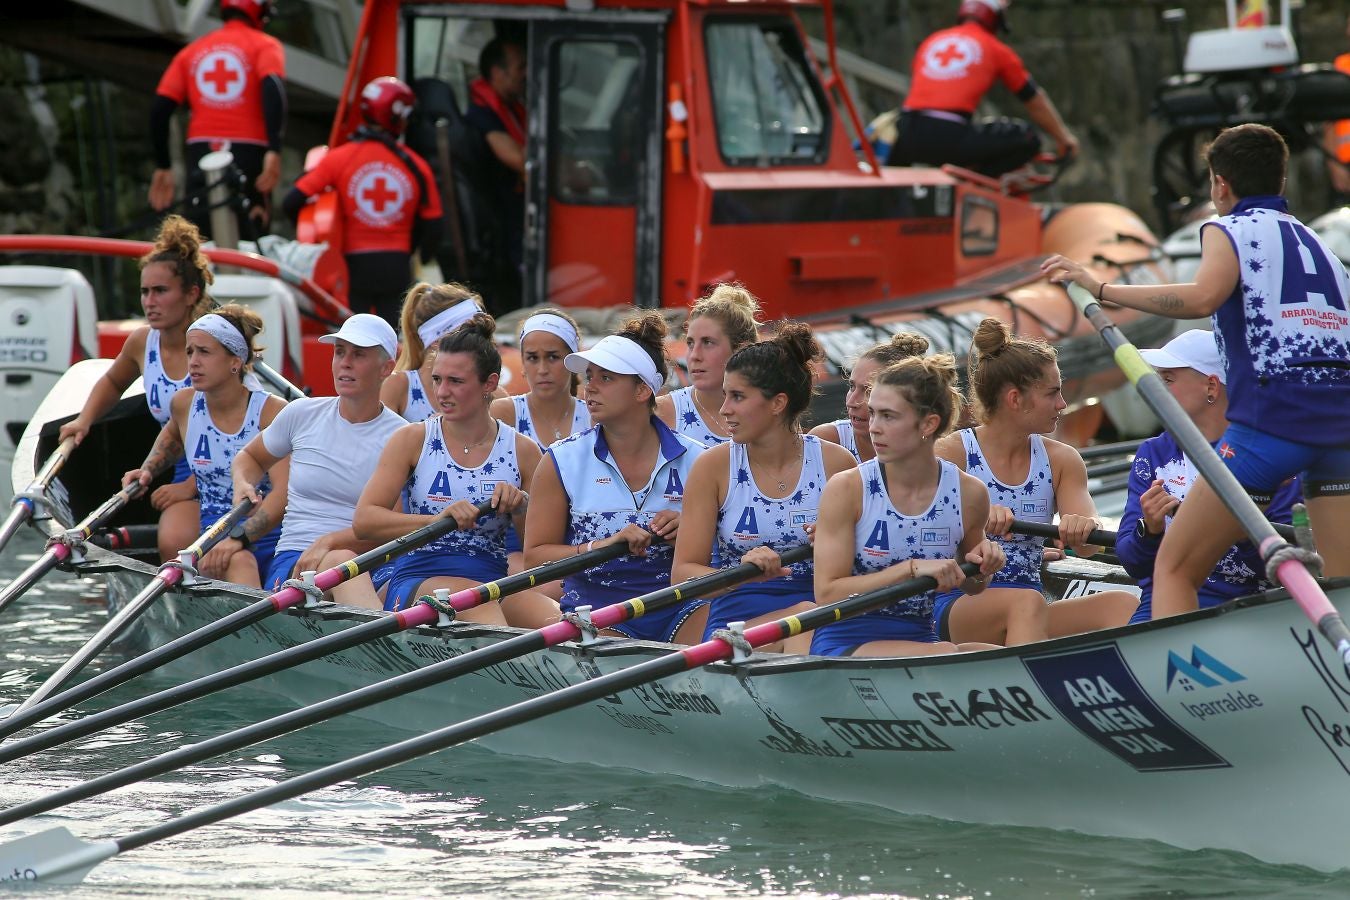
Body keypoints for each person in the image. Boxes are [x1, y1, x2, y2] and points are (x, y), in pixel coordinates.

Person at [1042, 123, 1350, 619]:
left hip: (1270, 428)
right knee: (1342, 585)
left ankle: (1182, 689)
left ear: (1219, 184)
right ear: (1281, 182)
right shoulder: (1322, 245)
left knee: (1174, 569)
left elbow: (1203, 297)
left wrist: (1102, 290)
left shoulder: (1226, 228)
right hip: (1340, 430)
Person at [931, 318, 1139, 644]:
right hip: (959, 602)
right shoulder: (952, 453)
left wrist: (1081, 526)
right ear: (1015, 399)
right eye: (1052, 393)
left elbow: (1088, 547)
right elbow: (923, 537)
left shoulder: (1062, 460)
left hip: (1028, 606)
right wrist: (977, 518)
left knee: (1122, 605)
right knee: (1026, 603)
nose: (1063, 404)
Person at [353, 314, 555, 628]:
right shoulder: (412, 439)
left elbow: (536, 551)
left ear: (489, 383)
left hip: (492, 580)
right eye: (437, 379)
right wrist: (434, 521)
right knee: (477, 606)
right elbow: (364, 521)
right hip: (419, 576)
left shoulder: (524, 450)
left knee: (564, 626)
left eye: (455, 381)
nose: (441, 392)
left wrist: (521, 507)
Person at [524, 313, 709, 644]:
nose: (589, 386)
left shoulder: (702, 461)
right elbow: (535, 557)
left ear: (642, 390)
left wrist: (689, 534)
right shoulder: (560, 460)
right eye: (589, 376)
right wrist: (599, 546)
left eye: (606, 378)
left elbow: (727, 552)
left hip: (682, 607)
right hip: (598, 612)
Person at [672, 324, 857, 654]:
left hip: (826, 613)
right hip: (739, 625)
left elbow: (865, 562)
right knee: (804, 617)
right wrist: (742, 573)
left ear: (777, 403)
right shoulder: (713, 467)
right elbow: (683, 574)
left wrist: (836, 544)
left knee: (809, 617)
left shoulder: (836, 464)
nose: (724, 408)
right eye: (725, 395)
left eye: (738, 397)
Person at [810, 356, 1004, 657]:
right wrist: (909, 570)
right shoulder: (847, 487)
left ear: (928, 423)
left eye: (888, 416)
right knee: (951, 656)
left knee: (998, 659)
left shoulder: (969, 493)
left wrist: (985, 564)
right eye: (873, 414)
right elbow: (826, 593)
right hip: (847, 641)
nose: (873, 427)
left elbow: (974, 586)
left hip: (921, 639)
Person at [1116, 330, 1302, 623]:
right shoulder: (1154, 453)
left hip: (1252, 608)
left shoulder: (1269, 455)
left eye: (1168, 379)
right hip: (1161, 601)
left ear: (1211, 387)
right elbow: (1133, 563)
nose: (1156, 389)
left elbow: (1287, 566)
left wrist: (1241, 531)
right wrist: (1149, 530)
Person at [59, 215, 211, 562]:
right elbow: (113, 381)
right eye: (144, 292)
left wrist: (186, 487)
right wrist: (84, 420)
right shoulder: (143, 341)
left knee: (181, 546)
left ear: (191, 294)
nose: (149, 301)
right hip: (180, 465)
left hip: (223, 462)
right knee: (175, 545)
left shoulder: (210, 343)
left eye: (160, 291)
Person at [231, 314, 406, 607]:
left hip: (373, 559)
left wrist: (333, 542)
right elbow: (249, 457)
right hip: (298, 557)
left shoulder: (404, 436)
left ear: (386, 368)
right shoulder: (301, 414)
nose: (345, 363)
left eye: (358, 354)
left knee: (345, 562)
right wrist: (242, 483)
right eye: (339, 352)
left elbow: (391, 528)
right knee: (342, 562)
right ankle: (382, 649)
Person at [124, 306, 287, 587]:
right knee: (240, 560)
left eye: (204, 352)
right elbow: (172, 439)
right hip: (213, 538)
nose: (193, 362)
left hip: (272, 536)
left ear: (235, 361)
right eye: (190, 352)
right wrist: (147, 470)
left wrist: (241, 537)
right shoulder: (184, 405)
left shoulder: (271, 412)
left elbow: (284, 493)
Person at [283, 77, 444, 327]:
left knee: (352, 339)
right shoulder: (416, 166)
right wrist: (419, 255)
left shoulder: (338, 159)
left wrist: (316, 240)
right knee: (394, 343)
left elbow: (291, 201)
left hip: (352, 269)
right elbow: (434, 224)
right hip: (397, 268)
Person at [887, 0, 1078, 178]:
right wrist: (1063, 138)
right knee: (1027, 138)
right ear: (997, 17)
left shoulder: (932, 41)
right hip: (949, 136)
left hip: (906, 131)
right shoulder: (996, 49)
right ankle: (974, 179)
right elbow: (1035, 102)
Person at [149, 0, 285, 238]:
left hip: (201, 153)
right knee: (251, 236)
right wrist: (274, 148)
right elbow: (272, 89)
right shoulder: (265, 45)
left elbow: (160, 108)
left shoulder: (192, 51)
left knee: (200, 237)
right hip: (249, 154)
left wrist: (163, 165)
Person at [464, 36, 527, 309]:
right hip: (499, 225)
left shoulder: (513, 110)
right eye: (520, 67)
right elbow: (517, 159)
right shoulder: (481, 116)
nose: (526, 74)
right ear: (497, 72)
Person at [657, 284, 761, 446]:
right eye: (690, 343)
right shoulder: (663, 413)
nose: (695, 356)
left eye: (708, 343)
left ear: (741, 350)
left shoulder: (770, 414)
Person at [810, 331, 930, 463]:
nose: (851, 402)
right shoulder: (824, 441)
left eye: (868, 390)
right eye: (852, 386)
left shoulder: (937, 451)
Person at [382, 282, 485, 422]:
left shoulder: (490, 391)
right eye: (469, 334)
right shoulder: (397, 386)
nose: (481, 343)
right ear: (436, 340)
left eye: (482, 333)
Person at [491, 309, 590, 448]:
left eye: (552, 357)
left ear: (572, 360)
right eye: (533, 358)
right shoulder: (502, 413)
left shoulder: (594, 418)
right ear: (523, 363)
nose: (542, 370)